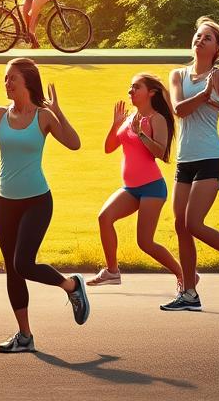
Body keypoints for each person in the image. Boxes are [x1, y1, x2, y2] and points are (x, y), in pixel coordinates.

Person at [0, 61, 88, 354]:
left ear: (27, 80)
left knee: (23, 263)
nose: (6, 84)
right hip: (6, 202)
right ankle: (25, 336)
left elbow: (74, 143)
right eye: (4, 79)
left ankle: (71, 286)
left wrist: (59, 111)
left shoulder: (43, 117)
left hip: (37, 201)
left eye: (11, 78)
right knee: (12, 271)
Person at [160, 17, 219, 312]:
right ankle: (189, 293)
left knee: (193, 222)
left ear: (216, 49)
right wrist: (204, 95)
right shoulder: (178, 74)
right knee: (181, 225)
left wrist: (218, 104)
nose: (200, 40)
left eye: (208, 38)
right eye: (198, 35)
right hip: (185, 160)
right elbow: (178, 109)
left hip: (212, 158)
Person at [87, 74, 183, 291]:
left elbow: (161, 152)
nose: (130, 91)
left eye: (136, 87)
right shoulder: (130, 117)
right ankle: (112, 271)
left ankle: (184, 275)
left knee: (145, 242)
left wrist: (141, 134)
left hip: (152, 187)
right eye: (130, 87)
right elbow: (109, 147)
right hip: (130, 188)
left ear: (151, 93)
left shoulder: (157, 119)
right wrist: (115, 125)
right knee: (105, 218)